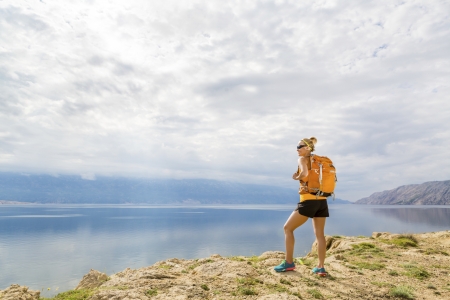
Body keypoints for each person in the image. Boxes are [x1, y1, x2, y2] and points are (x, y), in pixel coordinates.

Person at [274, 137, 329, 276]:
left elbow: (304, 174)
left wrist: (296, 177)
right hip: (322, 200)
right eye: (297, 146)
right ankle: (321, 267)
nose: (297, 149)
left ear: (307, 148)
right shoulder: (318, 160)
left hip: (308, 200)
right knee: (320, 235)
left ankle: (289, 263)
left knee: (287, 228)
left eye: (299, 146)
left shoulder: (303, 160)